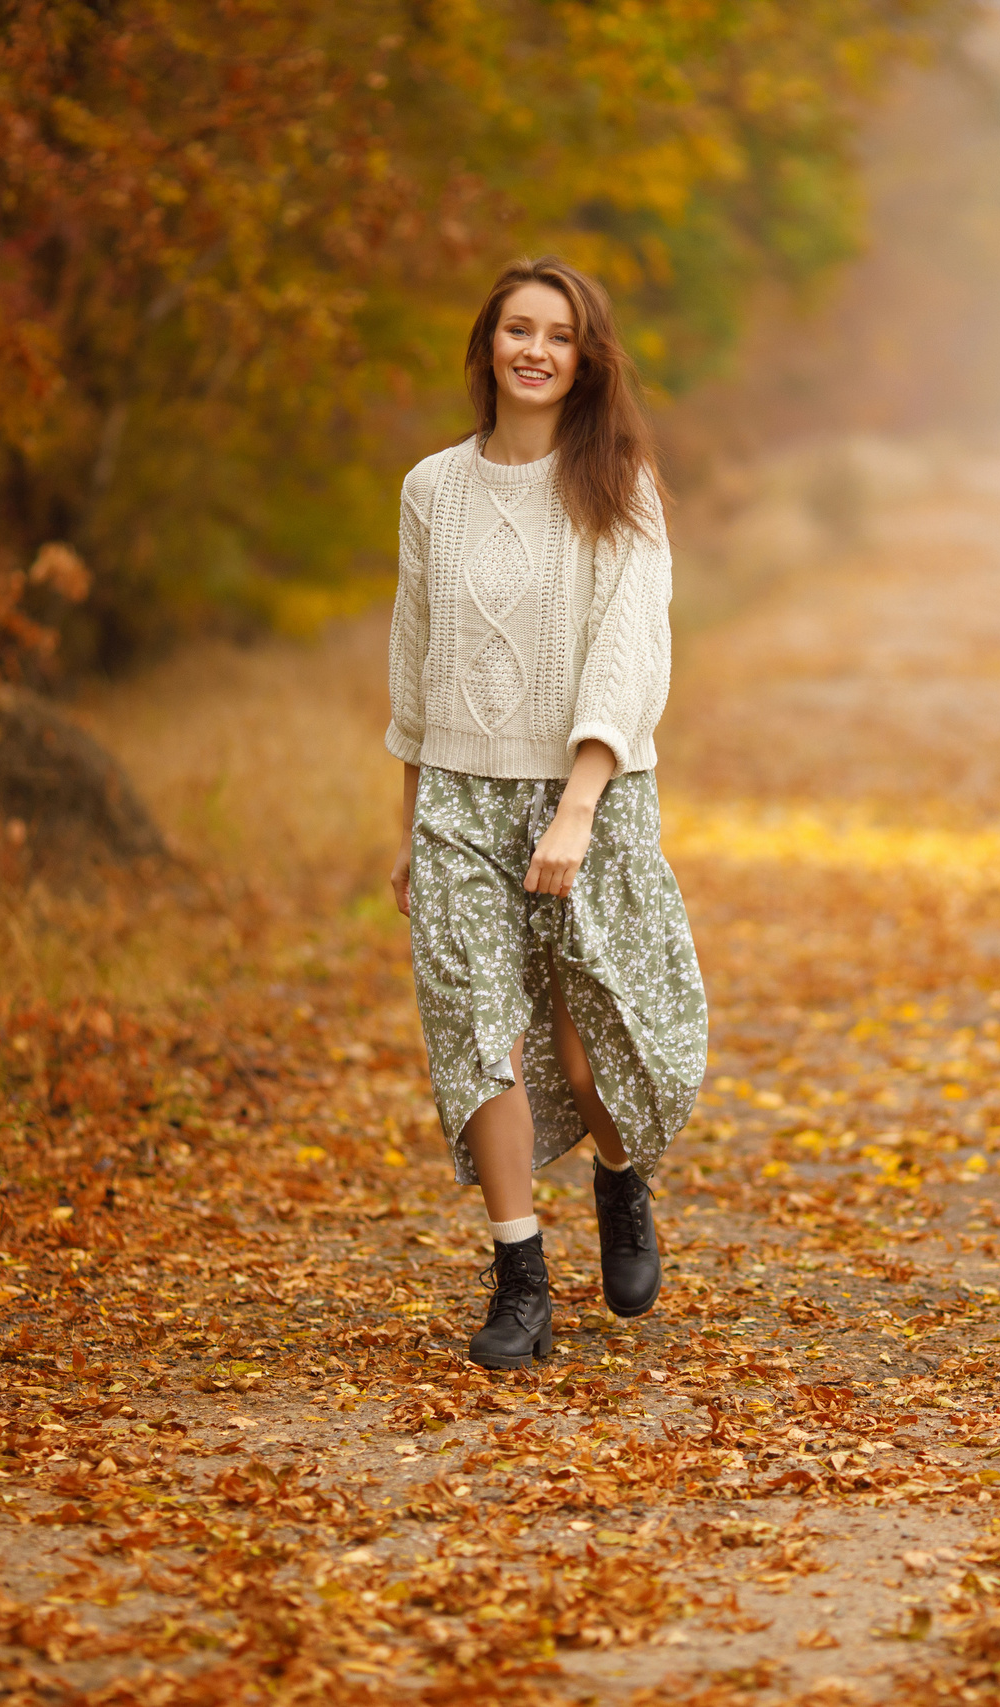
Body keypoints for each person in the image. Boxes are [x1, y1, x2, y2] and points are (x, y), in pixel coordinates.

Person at [384, 257, 709, 1370]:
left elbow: (629, 651)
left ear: (585, 359)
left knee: (587, 1053)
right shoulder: (432, 489)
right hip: (459, 800)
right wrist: (409, 826)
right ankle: (519, 1273)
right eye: (516, 329)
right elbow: (416, 669)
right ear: (486, 349)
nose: (534, 349)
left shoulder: (617, 481)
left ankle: (620, 1181)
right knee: (480, 1035)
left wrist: (577, 803)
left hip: (593, 791)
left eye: (557, 335)